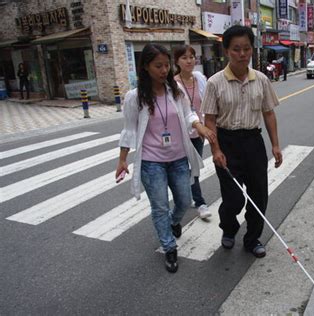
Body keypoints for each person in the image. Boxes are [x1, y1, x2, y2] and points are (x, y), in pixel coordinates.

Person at [116, 43, 216, 273]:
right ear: (146, 67)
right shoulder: (135, 97)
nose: (163, 70)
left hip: (179, 157)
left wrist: (198, 125)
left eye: (166, 65)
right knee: (159, 206)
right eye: (158, 66)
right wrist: (122, 160)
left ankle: (173, 222)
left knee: (183, 200)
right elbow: (129, 130)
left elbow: (188, 112)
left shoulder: (175, 90)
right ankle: (169, 246)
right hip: (152, 162)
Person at [201, 25, 283, 259]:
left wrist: (275, 145)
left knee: (259, 195)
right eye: (236, 49)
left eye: (246, 48)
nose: (242, 54)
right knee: (233, 198)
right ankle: (229, 228)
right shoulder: (215, 83)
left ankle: (252, 239)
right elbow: (210, 119)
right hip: (227, 143)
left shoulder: (262, 80)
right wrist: (215, 149)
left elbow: (268, 113)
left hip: (253, 142)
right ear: (226, 51)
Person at [173, 45, 212, 220]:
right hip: (180, 135)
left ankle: (193, 200)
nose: (189, 61)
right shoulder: (173, 84)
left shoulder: (200, 79)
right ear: (176, 61)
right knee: (183, 170)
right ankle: (197, 201)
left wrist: (205, 126)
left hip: (198, 133)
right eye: (184, 58)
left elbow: (207, 104)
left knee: (194, 168)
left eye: (191, 57)